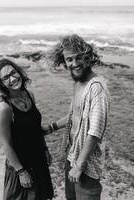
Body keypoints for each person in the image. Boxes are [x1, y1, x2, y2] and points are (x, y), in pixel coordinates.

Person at [45, 34, 110, 200]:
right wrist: (51, 128)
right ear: (63, 61)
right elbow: (76, 115)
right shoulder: (78, 82)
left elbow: (95, 131)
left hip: (85, 163)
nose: (74, 64)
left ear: (87, 56)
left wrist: (79, 165)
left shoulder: (96, 88)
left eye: (79, 58)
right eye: (69, 59)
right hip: (72, 153)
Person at [0, 59, 54, 200]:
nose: (12, 79)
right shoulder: (5, 108)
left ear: (18, 71)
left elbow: (35, 129)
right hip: (21, 166)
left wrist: (45, 149)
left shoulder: (29, 95)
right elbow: (6, 144)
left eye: (13, 73)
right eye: (6, 78)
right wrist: (21, 172)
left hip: (38, 160)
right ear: (2, 84)